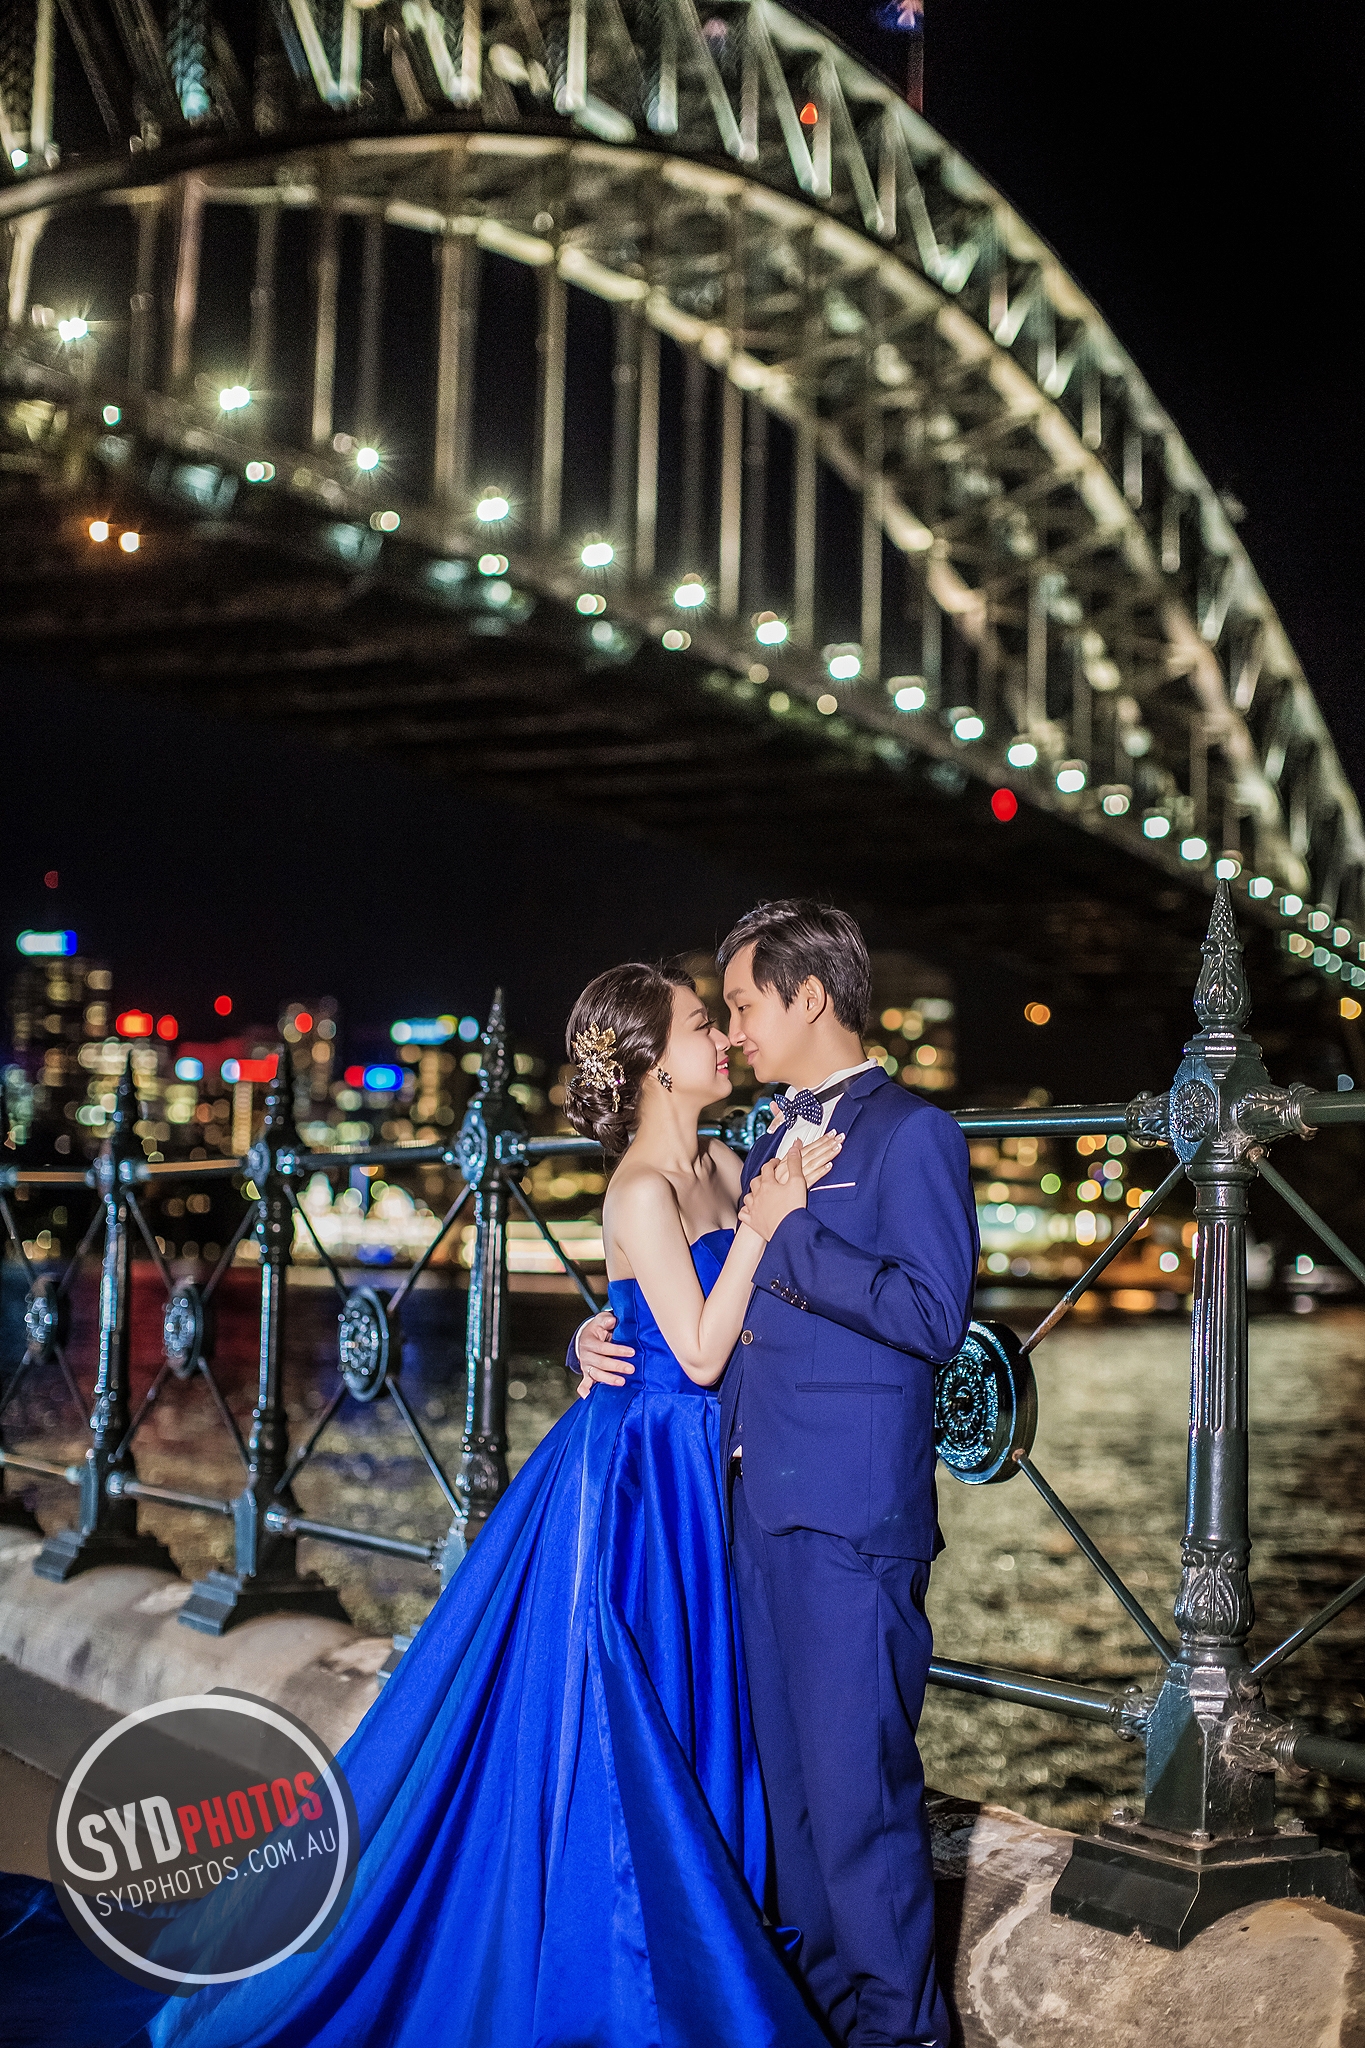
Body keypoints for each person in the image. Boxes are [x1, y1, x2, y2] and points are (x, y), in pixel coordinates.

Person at [148, 961, 842, 2048]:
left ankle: (715, 1930)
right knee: (629, 1705)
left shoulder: (724, 1158)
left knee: (703, 1694)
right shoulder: (639, 1188)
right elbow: (702, 1352)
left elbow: (682, 1316)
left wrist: (600, 1328)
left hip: (704, 1466)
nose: (721, 1038)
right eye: (701, 1024)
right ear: (656, 1063)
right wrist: (758, 1227)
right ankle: (631, 1976)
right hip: (644, 1479)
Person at [574, 901, 978, 2048]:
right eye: (719, 1015)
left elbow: (931, 1314)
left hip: (849, 1513)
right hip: (740, 1512)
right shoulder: (757, 1138)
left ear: (810, 997)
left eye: (744, 1004)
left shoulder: (911, 1133)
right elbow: (696, 1299)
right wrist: (598, 1337)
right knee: (787, 1807)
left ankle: (905, 2033)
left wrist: (788, 1229)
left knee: (859, 1801)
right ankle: (824, 2022)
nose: (735, 1028)